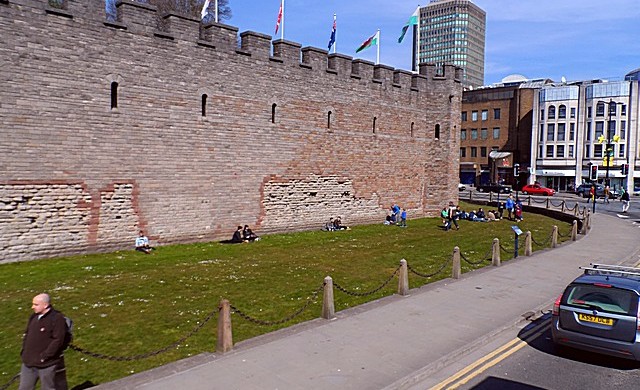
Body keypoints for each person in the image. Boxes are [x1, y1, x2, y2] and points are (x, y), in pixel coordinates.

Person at [19, 293, 68, 390]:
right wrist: (24, 353)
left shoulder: (57, 318)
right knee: (24, 387)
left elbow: (58, 340)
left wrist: (45, 356)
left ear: (45, 305)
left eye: (36, 304)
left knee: (47, 388)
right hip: (28, 363)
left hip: (46, 364)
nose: (32, 307)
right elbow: (27, 335)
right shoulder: (33, 317)